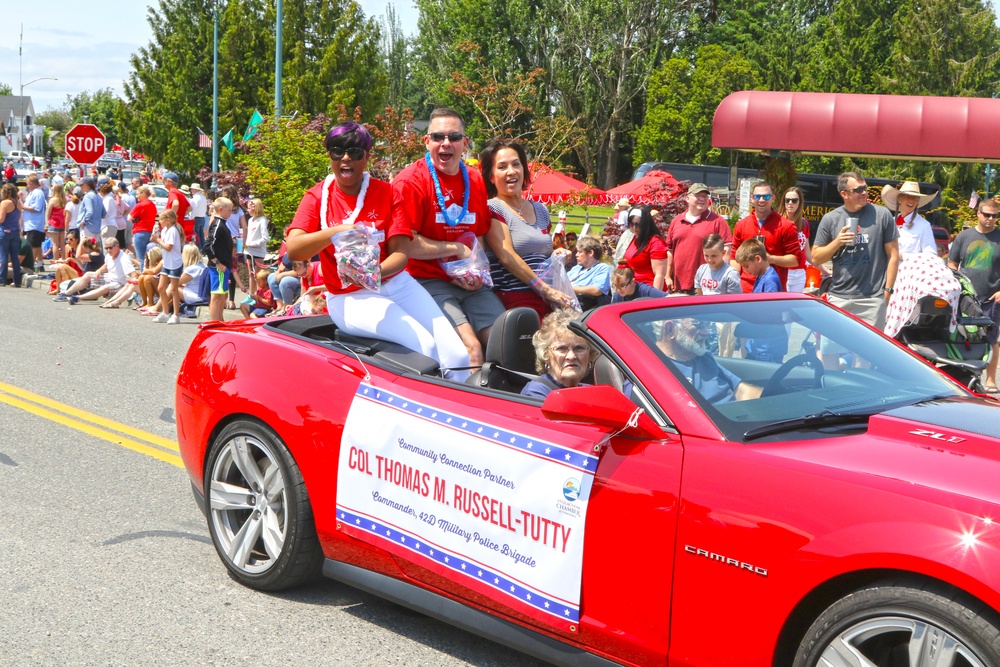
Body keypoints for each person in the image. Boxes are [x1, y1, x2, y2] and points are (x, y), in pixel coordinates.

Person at [286, 121, 470, 380]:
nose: (346, 158)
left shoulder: (387, 193)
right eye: (338, 151)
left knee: (458, 357)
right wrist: (335, 231)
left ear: (367, 157)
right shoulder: (317, 196)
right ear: (330, 155)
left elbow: (401, 253)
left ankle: (455, 411)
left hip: (397, 284)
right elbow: (294, 250)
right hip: (349, 297)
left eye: (356, 152)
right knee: (425, 349)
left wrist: (372, 273)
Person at [392, 108, 505, 366]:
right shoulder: (410, 182)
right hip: (424, 281)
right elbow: (405, 244)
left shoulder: (475, 180)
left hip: (471, 284)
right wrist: (455, 248)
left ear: (465, 143)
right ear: (427, 141)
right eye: (438, 136)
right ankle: (468, 405)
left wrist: (477, 273)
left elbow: (480, 234)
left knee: (505, 341)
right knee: (471, 350)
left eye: (454, 137)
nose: (446, 143)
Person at [813, 172, 899, 369]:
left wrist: (887, 291)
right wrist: (837, 242)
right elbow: (816, 257)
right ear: (844, 193)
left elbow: (893, 255)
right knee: (829, 352)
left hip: (872, 298)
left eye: (865, 188)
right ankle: (836, 392)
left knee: (865, 357)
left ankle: (859, 394)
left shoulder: (882, 215)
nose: (864, 193)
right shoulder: (831, 219)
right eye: (858, 190)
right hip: (839, 297)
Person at [479, 137, 571, 318]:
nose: (511, 172)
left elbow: (545, 253)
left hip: (549, 295)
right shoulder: (492, 208)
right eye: (502, 167)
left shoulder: (541, 209)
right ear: (491, 177)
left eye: (516, 164)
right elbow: (506, 256)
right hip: (516, 298)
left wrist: (559, 255)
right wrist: (545, 290)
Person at [948, 198, 1000, 392]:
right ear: (978, 214)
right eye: (987, 214)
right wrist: (955, 282)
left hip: (991, 298)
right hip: (964, 298)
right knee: (961, 336)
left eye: (995, 216)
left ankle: (991, 379)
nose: (990, 219)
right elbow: (952, 263)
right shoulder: (964, 236)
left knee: (991, 339)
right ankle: (962, 376)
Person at [730, 181, 799, 292]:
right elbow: (734, 257)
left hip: (771, 289)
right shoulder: (741, 225)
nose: (761, 200)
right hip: (745, 289)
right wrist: (733, 278)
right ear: (752, 198)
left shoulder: (787, 226)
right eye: (758, 196)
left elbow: (795, 260)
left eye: (766, 196)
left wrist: (770, 259)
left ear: (773, 199)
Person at [657, 317, 743, 404]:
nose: (706, 332)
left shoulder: (702, 355)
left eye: (706, 325)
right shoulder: (655, 368)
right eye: (699, 324)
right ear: (670, 329)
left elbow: (740, 389)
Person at [665, 183, 732, 294]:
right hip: (678, 285)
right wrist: (667, 276)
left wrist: (721, 279)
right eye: (698, 195)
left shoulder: (718, 221)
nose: (702, 199)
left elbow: (726, 251)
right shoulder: (676, 221)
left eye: (705, 196)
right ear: (687, 198)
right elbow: (670, 252)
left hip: (706, 286)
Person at [521, 310, 598, 398]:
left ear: (590, 354)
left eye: (579, 348)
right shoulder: (535, 392)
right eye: (561, 348)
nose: (571, 356)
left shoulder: (591, 393)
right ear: (546, 355)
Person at [735, 238, 787, 362]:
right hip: (759, 342)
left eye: (746, 266)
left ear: (758, 259)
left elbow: (769, 309)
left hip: (768, 345)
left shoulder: (770, 281)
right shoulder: (761, 276)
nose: (746, 271)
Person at [54, 237, 137, 304]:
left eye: (110, 248)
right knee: (88, 274)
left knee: (105, 287)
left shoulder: (124, 258)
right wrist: (99, 270)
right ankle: (66, 294)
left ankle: (77, 298)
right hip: (110, 277)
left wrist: (134, 285)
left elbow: (133, 273)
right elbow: (106, 265)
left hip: (120, 283)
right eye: (106, 248)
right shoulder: (109, 255)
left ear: (117, 246)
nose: (108, 250)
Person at [881, 180, 937, 258]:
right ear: (899, 200)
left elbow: (931, 255)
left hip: (911, 269)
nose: (911, 200)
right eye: (907, 196)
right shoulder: (891, 222)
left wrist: (902, 256)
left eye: (915, 197)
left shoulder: (924, 225)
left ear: (917, 202)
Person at [203, 196, 237, 322]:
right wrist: (217, 263)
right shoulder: (218, 224)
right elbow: (208, 245)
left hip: (223, 265)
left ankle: (219, 321)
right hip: (219, 267)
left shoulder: (221, 224)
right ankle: (215, 323)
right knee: (217, 297)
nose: (231, 213)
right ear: (221, 209)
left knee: (222, 296)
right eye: (229, 210)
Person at [777, 186, 815, 292]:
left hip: (800, 273)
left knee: (794, 304)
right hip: (784, 271)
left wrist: (826, 271)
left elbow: (807, 253)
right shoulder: (777, 222)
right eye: (787, 200)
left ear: (799, 203)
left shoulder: (804, 223)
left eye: (794, 200)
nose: (790, 203)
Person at [622, 206, 668, 290]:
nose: (634, 228)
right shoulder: (634, 238)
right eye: (631, 224)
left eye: (638, 224)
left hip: (648, 290)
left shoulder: (655, 242)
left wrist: (654, 299)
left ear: (646, 224)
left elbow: (659, 275)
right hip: (632, 288)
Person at [151, 209, 184, 324]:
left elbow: (169, 247)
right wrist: (156, 240)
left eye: (161, 219)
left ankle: (175, 315)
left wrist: (158, 240)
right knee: (161, 287)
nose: (159, 221)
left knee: (174, 290)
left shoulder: (173, 230)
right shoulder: (165, 230)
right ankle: (165, 312)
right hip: (167, 262)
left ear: (168, 220)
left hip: (174, 263)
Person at [567, 236, 611, 310]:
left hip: (583, 305)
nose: (576, 255)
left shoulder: (602, 268)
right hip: (566, 301)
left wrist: (571, 289)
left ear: (590, 253)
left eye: (580, 252)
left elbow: (597, 290)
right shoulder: (576, 268)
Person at [128, 185, 158, 273]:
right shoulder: (152, 205)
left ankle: (142, 276)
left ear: (143, 194)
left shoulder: (140, 205)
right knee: (149, 257)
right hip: (149, 232)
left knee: (141, 258)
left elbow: (129, 218)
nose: (136, 196)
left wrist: (136, 218)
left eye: (137, 194)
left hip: (139, 232)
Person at [21, 174, 48, 272]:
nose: (27, 186)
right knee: (37, 245)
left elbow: (36, 208)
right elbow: (28, 205)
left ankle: (30, 266)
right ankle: (40, 264)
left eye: (28, 183)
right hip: (31, 224)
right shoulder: (33, 193)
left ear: (32, 184)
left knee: (33, 246)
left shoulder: (38, 193)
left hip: (34, 224)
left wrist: (22, 207)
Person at [0, 183, 23, 287]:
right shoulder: (18, 202)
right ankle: (17, 280)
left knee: (4, 256)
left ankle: (2, 279)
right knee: (14, 256)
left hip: (5, 231)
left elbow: (1, 219)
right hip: (15, 231)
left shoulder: (5, 203)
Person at [244, 197, 269, 283]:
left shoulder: (262, 220)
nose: (247, 210)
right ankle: (251, 295)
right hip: (248, 251)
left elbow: (265, 238)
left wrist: (252, 243)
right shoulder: (250, 220)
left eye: (249, 207)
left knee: (258, 275)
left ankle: (259, 293)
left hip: (258, 252)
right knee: (251, 274)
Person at [163, 172, 192, 243]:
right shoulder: (179, 193)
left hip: (173, 226)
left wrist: (170, 218)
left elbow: (175, 204)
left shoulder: (172, 192)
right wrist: (180, 215)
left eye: (164, 180)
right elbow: (190, 208)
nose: (163, 182)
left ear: (169, 181)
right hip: (180, 226)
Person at [77, 176, 103, 249]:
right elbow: (103, 213)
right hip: (97, 227)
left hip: (88, 227)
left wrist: (83, 221)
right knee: (94, 248)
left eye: (81, 185)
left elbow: (89, 211)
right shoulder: (98, 196)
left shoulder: (88, 196)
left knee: (85, 248)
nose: (80, 187)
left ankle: (86, 261)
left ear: (86, 185)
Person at [178, 243, 207, 308]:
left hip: (196, 296)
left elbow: (177, 283)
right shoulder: (203, 266)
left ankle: (157, 307)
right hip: (202, 295)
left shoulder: (191, 269)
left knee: (172, 287)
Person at [136, 245, 164, 312]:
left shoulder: (162, 261)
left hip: (165, 287)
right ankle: (144, 302)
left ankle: (150, 303)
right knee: (141, 278)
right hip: (159, 284)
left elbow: (155, 271)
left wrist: (146, 271)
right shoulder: (152, 262)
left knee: (148, 278)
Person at [45, 183, 67, 261]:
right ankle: (64, 259)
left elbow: (48, 212)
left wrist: (47, 222)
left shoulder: (53, 200)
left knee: (55, 244)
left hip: (54, 223)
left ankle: (55, 259)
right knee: (62, 243)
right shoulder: (64, 199)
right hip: (62, 222)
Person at [189, 183, 208, 250]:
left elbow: (194, 209)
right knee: (201, 234)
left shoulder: (195, 198)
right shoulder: (203, 197)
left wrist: (191, 217)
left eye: (191, 189)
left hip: (197, 217)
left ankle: (199, 249)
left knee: (197, 234)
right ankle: (203, 248)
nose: (191, 190)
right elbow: (205, 208)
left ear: (194, 189)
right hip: (202, 217)